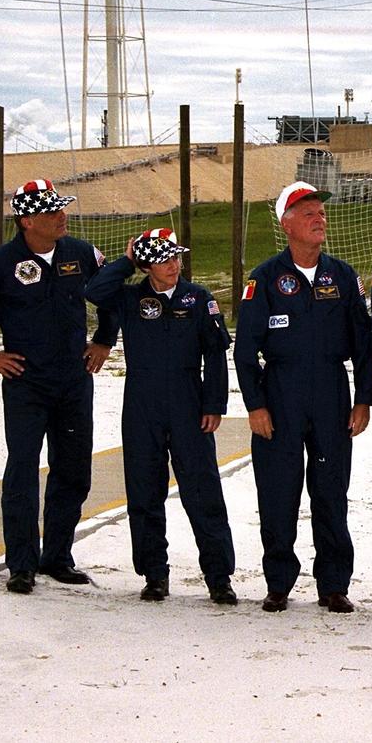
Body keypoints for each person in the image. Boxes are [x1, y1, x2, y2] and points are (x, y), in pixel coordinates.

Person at [0, 179, 117, 594]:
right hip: (26, 382)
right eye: (50, 212)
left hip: (74, 379)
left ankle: (57, 556)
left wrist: (104, 340)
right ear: (26, 221)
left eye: (62, 209)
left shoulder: (81, 253)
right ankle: (21, 563)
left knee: (73, 469)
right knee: (22, 469)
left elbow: (112, 294)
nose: (61, 217)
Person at [234, 181, 372, 614]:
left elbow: (363, 341)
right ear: (286, 223)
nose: (319, 218)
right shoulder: (264, 278)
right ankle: (278, 582)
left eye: (320, 211)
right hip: (281, 394)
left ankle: (333, 584)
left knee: (331, 491)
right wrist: (255, 405)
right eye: (308, 212)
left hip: (332, 391)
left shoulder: (343, 276)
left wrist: (364, 398)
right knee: (279, 491)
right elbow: (244, 350)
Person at [84, 228, 237, 605]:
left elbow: (216, 354)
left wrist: (214, 404)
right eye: (164, 258)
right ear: (148, 264)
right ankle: (154, 575)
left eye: (176, 257)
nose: (173, 265)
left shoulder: (198, 298)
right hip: (142, 405)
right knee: (144, 491)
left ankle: (219, 578)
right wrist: (127, 262)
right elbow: (94, 292)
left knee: (203, 492)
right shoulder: (130, 297)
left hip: (188, 404)